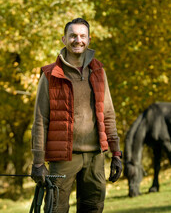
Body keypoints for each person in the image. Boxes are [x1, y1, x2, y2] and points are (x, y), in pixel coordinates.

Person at [31, 18, 122, 213]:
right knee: (55, 209)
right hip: (63, 158)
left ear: (89, 39)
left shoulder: (99, 71)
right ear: (64, 39)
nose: (77, 40)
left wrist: (116, 152)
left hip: (95, 156)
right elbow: (40, 121)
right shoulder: (50, 75)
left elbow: (108, 114)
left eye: (82, 36)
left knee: (93, 208)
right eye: (73, 36)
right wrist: (38, 162)